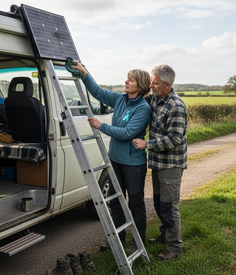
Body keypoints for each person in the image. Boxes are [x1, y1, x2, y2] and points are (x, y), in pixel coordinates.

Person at [71, 61, 151, 251]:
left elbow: (128, 133)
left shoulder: (143, 108)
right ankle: (118, 239)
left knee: (136, 203)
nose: (126, 81)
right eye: (127, 78)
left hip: (133, 164)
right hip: (115, 159)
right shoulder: (119, 99)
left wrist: (102, 126)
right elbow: (97, 92)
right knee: (115, 201)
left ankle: (138, 241)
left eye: (130, 80)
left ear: (140, 86)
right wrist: (84, 73)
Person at [133, 64, 187, 260]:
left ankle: (175, 247)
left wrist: (147, 144)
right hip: (157, 163)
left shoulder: (176, 106)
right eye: (151, 83)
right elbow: (136, 99)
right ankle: (165, 236)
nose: (151, 86)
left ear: (167, 84)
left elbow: (174, 139)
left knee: (168, 205)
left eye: (155, 84)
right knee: (158, 202)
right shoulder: (155, 98)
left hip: (171, 165)